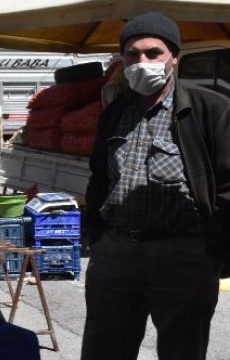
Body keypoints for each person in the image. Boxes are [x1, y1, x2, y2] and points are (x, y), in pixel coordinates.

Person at [82, 12, 230, 360]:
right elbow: (99, 177)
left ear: (175, 56)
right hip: (116, 255)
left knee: (182, 351)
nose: (141, 62)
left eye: (153, 53)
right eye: (132, 55)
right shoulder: (116, 111)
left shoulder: (210, 108)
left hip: (183, 257)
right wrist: (99, 239)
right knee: (103, 349)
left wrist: (213, 254)